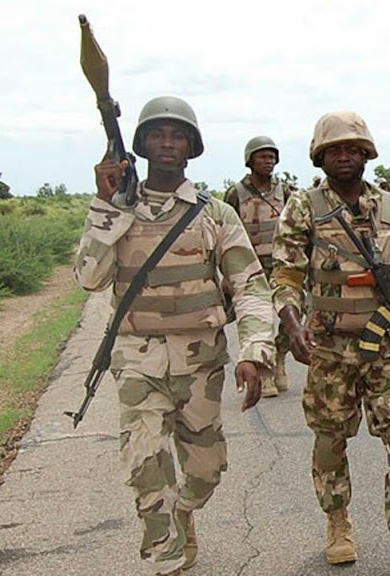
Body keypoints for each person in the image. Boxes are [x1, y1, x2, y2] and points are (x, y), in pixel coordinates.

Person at [74, 96, 276, 576]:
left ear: (191, 146)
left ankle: (184, 512)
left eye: (177, 135)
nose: (167, 143)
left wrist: (254, 350)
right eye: (157, 134)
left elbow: (250, 286)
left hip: (200, 363)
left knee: (206, 471)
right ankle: (167, 557)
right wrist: (105, 205)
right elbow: (88, 278)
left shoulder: (214, 215)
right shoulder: (117, 210)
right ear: (142, 145)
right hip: (137, 361)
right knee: (145, 464)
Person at [271, 111, 390, 576]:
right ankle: (338, 523)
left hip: (389, 348)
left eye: (353, 149)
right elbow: (287, 273)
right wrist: (292, 324)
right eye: (334, 149)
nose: (344, 156)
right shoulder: (303, 207)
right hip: (330, 347)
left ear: (367, 154)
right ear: (320, 157)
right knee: (330, 441)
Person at [224, 135, 296, 398]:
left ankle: (280, 356)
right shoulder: (236, 193)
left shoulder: (285, 191)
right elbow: (225, 232)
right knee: (259, 320)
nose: (269, 161)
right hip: (249, 269)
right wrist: (225, 273)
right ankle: (265, 373)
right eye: (263, 157)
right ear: (250, 160)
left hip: (281, 265)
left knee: (292, 314)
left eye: (272, 157)